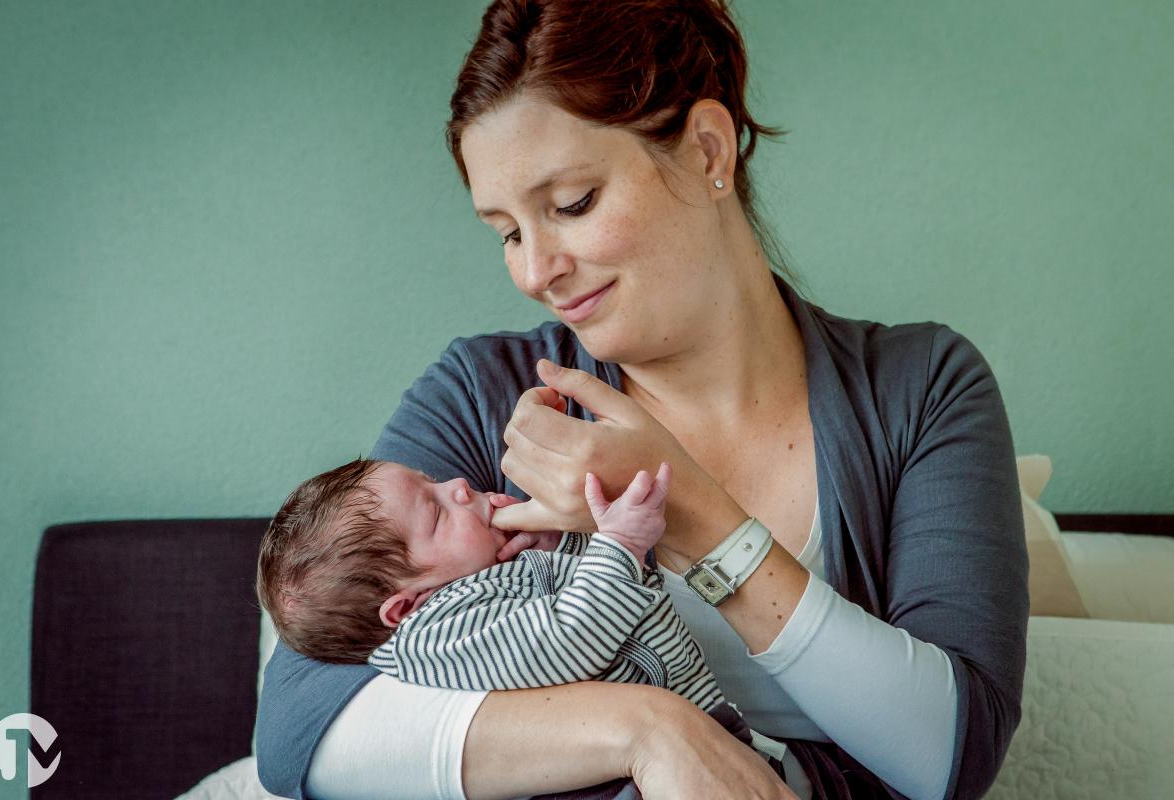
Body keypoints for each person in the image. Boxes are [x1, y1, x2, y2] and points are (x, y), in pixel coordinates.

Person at [254, 1, 1028, 798]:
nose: (533, 272)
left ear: (705, 151)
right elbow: (295, 732)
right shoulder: (482, 395)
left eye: (573, 204)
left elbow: (951, 761)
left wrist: (695, 514)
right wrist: (649, 731)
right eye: (508, 232)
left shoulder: (923, 387)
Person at [256, 458, 793, 795]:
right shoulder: (437, 635)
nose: (460, 486)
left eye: (436, 482)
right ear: (405, 608)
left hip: (704, 730)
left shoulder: (485, 578)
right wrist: (620, 545)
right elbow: (566, 641)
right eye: (438, 512)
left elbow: (593, 605)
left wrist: (565, 547)